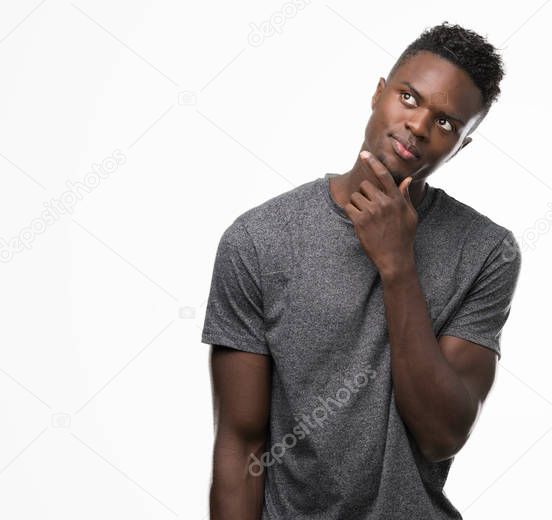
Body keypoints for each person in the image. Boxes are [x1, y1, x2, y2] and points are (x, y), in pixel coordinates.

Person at [201, 22, 521, 519]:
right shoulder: (259, 240)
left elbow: (442, 436)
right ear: (378, 94)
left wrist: (398, 266)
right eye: (409, 98)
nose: (417, 126)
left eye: (445, 124)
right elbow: (241, 446)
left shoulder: (487, 252)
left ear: (460, 146)